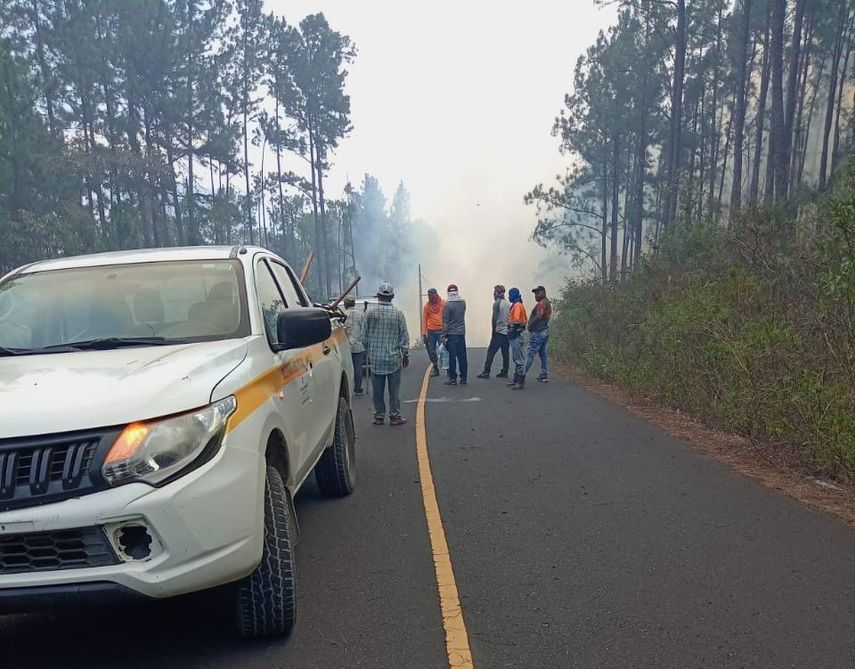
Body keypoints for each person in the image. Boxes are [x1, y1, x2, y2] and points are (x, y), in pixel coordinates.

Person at [362, 281, 410, 426]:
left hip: (376, 360)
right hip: (394, 359)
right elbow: (404, 337)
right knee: (394, 391)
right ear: (392, 297)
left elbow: (364, 337)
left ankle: (379, 416)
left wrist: (368, 351)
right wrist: (405, 354)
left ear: (378, 296)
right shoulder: (398, 314)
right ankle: (395, 416)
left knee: (377, 391)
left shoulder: (370, 313)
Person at [477, 284, 510, 379]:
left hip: (499, 331)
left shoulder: (497, 303)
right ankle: (505, 371)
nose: (493, 294)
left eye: (494, 292)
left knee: (491, 352)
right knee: (505, 353)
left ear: (497, 293)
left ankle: (486, 372)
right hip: (507, 332)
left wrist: (493, 332)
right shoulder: (507, 303)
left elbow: (494, 319)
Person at [441, 283, 468, 385]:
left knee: (452, 357)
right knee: (462, 356)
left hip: (451, 334)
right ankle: (464, 377)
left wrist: (443, 335)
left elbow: (446, 322)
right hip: (461, 333)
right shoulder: (463, 303)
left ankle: (453, 378)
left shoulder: (447, 305)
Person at [526, 285, 552, 382]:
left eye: (538, 292)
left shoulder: (542, 303)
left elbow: (539, 316)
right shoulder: (545, 302)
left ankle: (520, 376)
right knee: (542, 354)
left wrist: (530, 326)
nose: (536, 295)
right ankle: (544, 374)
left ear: (543, 292)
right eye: (535, 293)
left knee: (530, 354)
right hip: (544, 331)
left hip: (539, 332)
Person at [343, 297, 365, 396]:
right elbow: (364, 329)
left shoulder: (342, 315)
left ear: (346, 304)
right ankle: (357, 389)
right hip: (358, 346)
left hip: (345, 346)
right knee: (358, 368)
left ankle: (347, 391)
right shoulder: (361, 314)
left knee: (346, 369)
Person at [507, 287, 528, 390]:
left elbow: (516, 320)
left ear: (513, 295)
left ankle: (520, 382)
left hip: (516, 335)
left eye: (510, 295)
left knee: (519, 360)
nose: (508, 297)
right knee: (517, 358)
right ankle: (516, 380)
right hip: (516, 335)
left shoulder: (517, 306)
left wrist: (511, 328)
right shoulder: (516, 305)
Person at [422, 288, 445, 377]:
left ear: (436, 295)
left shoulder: (443, 304)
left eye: (432, 295)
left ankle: (448, 369)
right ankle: (435, 368)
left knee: (444, 350)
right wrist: (424, 334)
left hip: (441, 330)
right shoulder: (427, 306)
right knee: (431, 350)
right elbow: (424, 320)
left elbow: (447, 317)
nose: (430, 298)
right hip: (431, 331)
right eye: (429, 296)